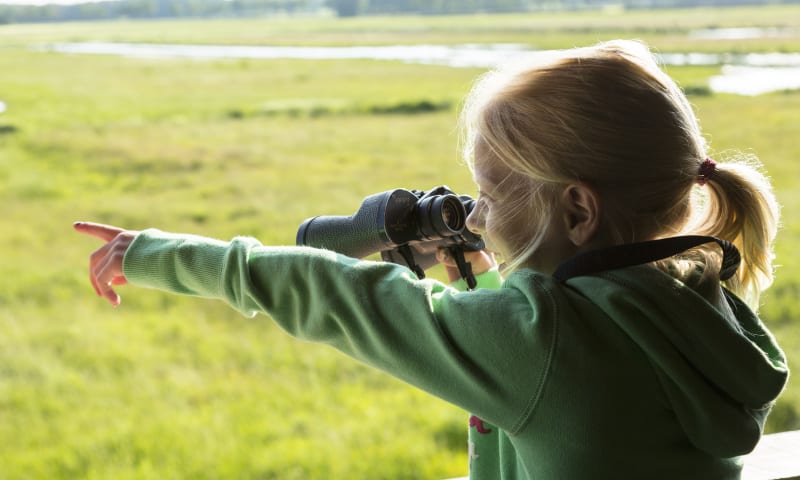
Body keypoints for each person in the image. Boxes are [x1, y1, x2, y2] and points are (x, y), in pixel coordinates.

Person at [75, 39, 788, 479]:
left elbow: (325, 289)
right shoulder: (700, 296)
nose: (476, 217)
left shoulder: (539, 339)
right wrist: (520, 277)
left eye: (486, 195)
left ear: (576, 210)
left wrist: (150, 253)